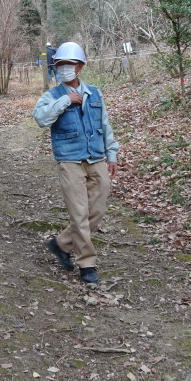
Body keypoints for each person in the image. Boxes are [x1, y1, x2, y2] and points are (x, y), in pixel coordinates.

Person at [33, 42, 119, 285]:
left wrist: (112, 154)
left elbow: (105, 125)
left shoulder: (95, 92)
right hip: (69, 161)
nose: (63, 69)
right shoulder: (51, 96)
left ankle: (60, 244)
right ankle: (87, 264)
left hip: (96, 157)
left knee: (97, 211)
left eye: (68, 64)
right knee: (79, 214)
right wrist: (65, 101)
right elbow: (40, 119)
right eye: (59, 65)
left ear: (79, 67)